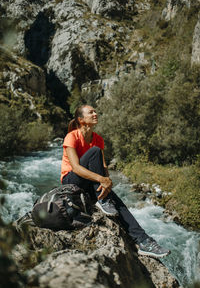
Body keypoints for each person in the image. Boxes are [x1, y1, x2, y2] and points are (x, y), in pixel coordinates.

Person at [61, 104, 170, 258]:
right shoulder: (71, 136)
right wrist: (101, 179)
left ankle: (144, 241)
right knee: (95, 152)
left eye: (95, 111)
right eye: (91, 112)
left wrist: (107, 183)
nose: (95, 113)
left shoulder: (98, 139)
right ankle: (103, 200)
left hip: (90, 183)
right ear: (81, 119)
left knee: (116, 202)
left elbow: (104, 166)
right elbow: (76, 168)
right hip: (71, 183)